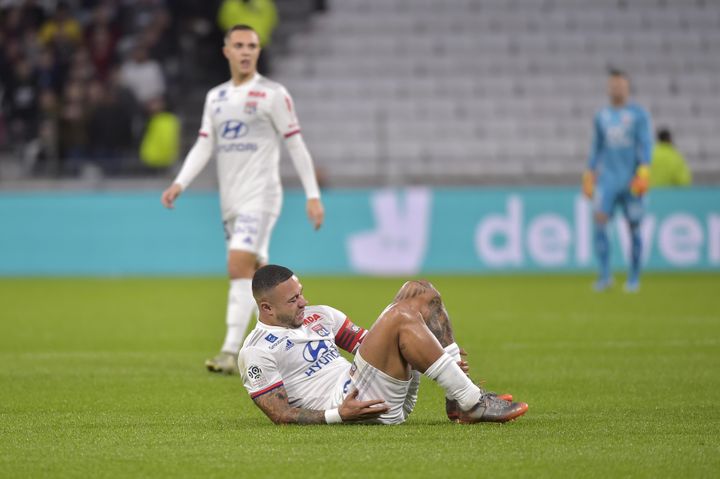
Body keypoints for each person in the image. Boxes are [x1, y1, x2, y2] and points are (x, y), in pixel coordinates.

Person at [161, 25, 324, 375]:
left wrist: (312, 195)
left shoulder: (272, 94)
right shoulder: (216, 98)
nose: (246, 51)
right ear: (227, 51)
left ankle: (230, 350)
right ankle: (285, 339)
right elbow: (205, 143)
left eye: (252, 45)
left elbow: (295, 144)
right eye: (239, 45)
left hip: (261, 196)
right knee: (255, 274)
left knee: (237, 266)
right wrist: (180, 183)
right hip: (230, 201)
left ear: (258, 50)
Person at [239, 265, 528, 425]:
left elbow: (371, 346)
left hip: (365, 382)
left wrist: (435, 352)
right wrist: (337, 415)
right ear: (267, 308)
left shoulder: (320, 315)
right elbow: (280, 414)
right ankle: (472, 402)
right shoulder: (257, 351)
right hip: (353, 403)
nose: (303, 302)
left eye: (301, 294)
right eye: (293, 301)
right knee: (399, 316)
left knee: (420, 290)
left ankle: (457, 399)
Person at [582, 69, 653, 293]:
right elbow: (597, 146)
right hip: (607, 180)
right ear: (608, 88)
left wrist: (644, 171)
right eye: (613, 85)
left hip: (631, 180)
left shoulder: (638, 115)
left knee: (634, 228)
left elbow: (645, 144)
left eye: (621, 85)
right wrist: (589, 172)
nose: (616, 89)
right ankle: (605, 275)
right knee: (600, 223)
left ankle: (633, 277)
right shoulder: (601, 116)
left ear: (628, 88)